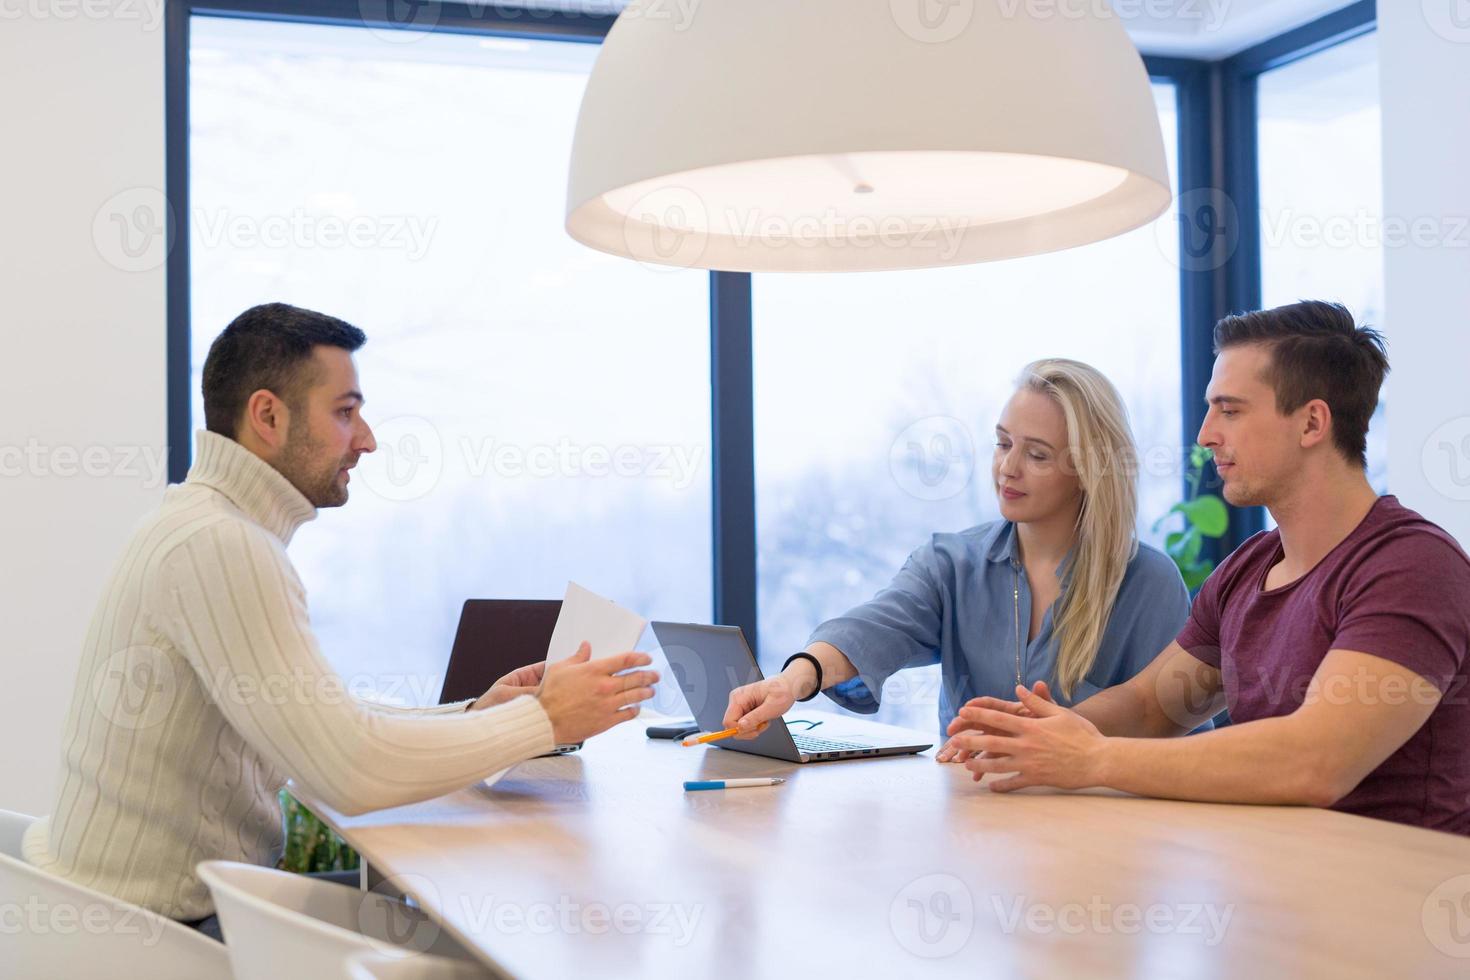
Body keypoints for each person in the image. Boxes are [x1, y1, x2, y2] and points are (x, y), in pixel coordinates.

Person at [22, 303, 660, 934]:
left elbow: (319, 726)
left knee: (432, 927)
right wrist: (542, 719)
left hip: (141, 911)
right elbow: (347, 768)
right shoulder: (222, 544)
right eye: (345, 412)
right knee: (471, 946)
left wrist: (480, 714)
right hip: (163, 934)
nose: (368, 439)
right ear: (268, 416)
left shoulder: (202, 525)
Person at [944, 301, 1470, 835]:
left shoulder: (1413, 567)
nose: (1205, 434)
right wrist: (1030, 735)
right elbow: (1152, 706)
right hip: (1285, 889)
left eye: (1230, 410)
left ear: (1312, 422)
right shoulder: (1250, 567)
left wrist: (1094, 759)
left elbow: (1316, 760)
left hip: (1399, 901)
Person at [723, 359, 1190, 742]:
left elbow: (1177, 728)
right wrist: (792, 681)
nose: (1007, 467)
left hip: (1103, 835)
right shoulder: (953, 564)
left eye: (1037, 454)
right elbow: (872, 628)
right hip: (972, 820)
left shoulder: (1148, 583)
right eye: (1003, 443)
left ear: (1088, 470)